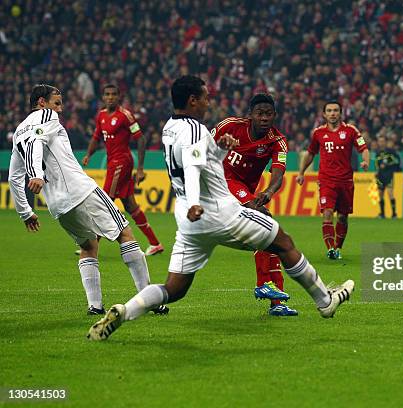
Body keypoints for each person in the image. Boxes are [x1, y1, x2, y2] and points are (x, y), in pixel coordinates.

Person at [87, 76, 354, 341]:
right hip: (217, 210)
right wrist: (195, 201)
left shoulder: (170, 127)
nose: (208, 101)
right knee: (283, 242)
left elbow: (198, 158)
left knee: (174, 288)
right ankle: (324, 300)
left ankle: (125, 310)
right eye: (204, 96)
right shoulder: (196, 130)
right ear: (193, 100)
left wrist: (219, 151)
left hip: (189, 223)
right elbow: (193, 167)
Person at [8, 84, 167, 316]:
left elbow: (14, 177)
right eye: (57, 103)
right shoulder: (45, 116)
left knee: (88, 246)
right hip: (80, 190)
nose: (59, 109)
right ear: (41, 102)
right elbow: (36, 143)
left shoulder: (19, 131)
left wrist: (25, 211)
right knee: (124, 232)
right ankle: (148, 300)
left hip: (58, 205)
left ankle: (95, 306)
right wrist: (37, 175)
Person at [216, 93, 297, 317]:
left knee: (272, 234)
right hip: (221, 181)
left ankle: (276, 301)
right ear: (250, 114)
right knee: (265, 221)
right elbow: (204, 147)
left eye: (268, 114)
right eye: (259, 113)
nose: (264, 118)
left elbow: (278, 173)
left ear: (275, 116)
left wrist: (269, 191)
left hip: (245, 189)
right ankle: (264, 284)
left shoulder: (277, 141)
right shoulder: (230, 126)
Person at [82, 84, 163, 256]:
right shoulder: (101, 115)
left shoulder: (125, 115)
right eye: (107, 94)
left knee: (105, 202)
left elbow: (141, 139)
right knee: (130, 205)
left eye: (113, 94)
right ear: (103, 97)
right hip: (113, 162)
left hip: (122, 162)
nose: (110, 97)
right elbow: (97, 137)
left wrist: (140, 168)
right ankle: (155, 243)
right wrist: (89, 154)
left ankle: (91, 244)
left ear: (119, 97)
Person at [296, 101, 369, 260]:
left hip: (346, 180)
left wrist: (365, 161)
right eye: (329, 110)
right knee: (327, 212)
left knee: (343, 216)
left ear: (340, 113)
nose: (332, 113)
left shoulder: (351, 131)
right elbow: (310, 153)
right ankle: (330, 249)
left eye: (335, 110)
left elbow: (363, 148)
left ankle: (338, 248)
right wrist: (301, 172)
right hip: (326, 179)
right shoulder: (318, 133)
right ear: (324, 114)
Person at [375, 139, 402, 219]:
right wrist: (377, 171)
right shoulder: (377, 153)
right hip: (380, 176)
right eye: (380, 141)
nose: (381, 143)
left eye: (382, 141)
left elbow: (396, 160)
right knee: (380, 194)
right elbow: (377, 163)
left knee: (390, 193)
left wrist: (385, 163)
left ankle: (394, 214)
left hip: (389, 175)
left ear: (385, 142)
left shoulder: (391, 151)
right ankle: (382, 214)